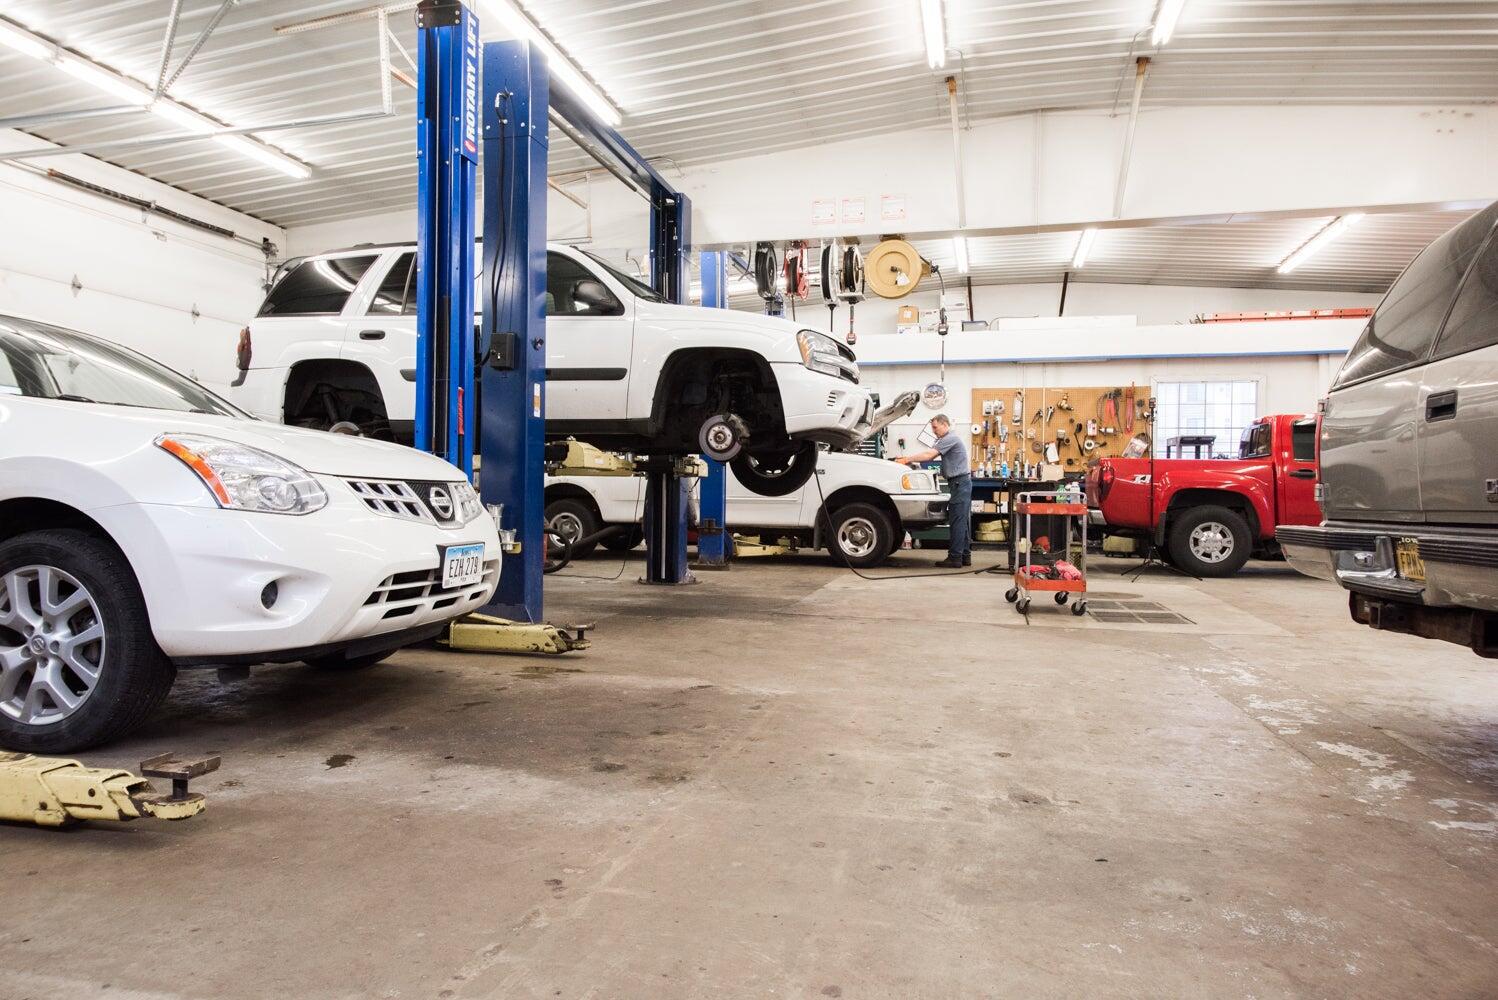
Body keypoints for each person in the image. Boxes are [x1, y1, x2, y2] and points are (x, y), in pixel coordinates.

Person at [894, 414, 971, 568]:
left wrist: (906, 459)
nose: (934, 431)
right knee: (962, 521)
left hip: (959, 483)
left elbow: (929, 455)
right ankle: (964, 556)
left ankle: (955, 558)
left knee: (957, 521)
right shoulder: (948, 439)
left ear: (944, 424)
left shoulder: (950, 438)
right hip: (959, 483)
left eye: (935, 427)